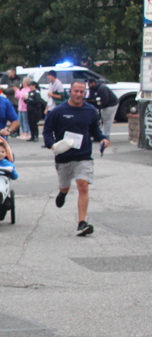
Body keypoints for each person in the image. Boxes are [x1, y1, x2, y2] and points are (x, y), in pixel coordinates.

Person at [43, 80, 109, 237]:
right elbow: (47, 131)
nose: (79, 94)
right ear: (70, 92)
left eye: (82, 91)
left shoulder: (90, 111)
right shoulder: (58, 111)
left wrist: (103, 139)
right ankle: (63, 192)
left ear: (85, 93)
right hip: (64, 156)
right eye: (76, 91)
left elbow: (95, 130)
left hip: (83, 156)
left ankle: (82, 223)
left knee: (83, 185)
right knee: (65, 185)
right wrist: (52, 145)